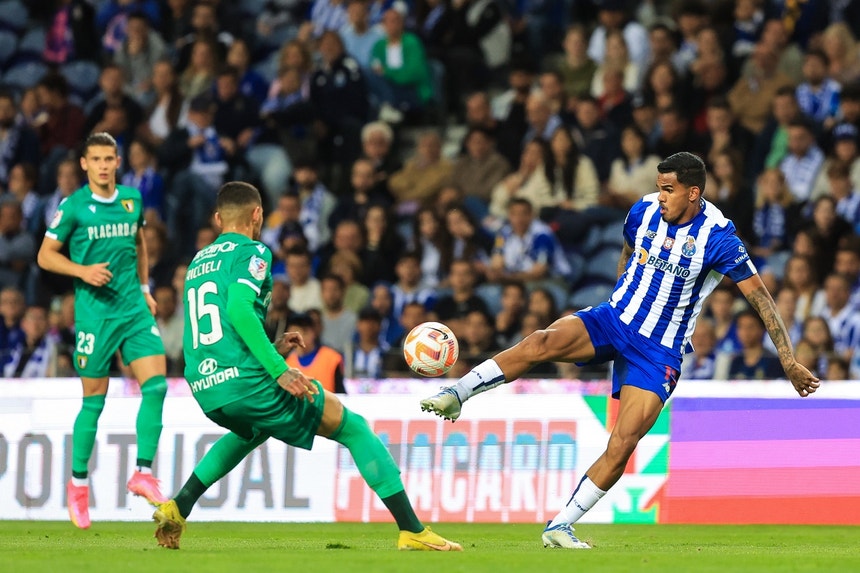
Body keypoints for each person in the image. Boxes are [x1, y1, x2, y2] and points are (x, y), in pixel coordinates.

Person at [420, 152, 819, 549]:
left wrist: (788, 360)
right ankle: (457, 394)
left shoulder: (718, 237)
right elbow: (628, 251)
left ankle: (559, 526)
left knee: (623, 442)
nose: (659, 196)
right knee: (541, 341)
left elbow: (762, 300)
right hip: (614, 319)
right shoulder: (642, 211)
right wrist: (619, 293)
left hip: (659, 352)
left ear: (693, 193)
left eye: (668, 189)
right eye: (658, 187)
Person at [152, 181, 461, 552]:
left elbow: (216, 328)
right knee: (354, 428)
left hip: (205, 385)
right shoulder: (254, 252)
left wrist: (274, 349)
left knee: (251, 431)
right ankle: (412, 530)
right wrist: (279, 369)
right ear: (257, 214)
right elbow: (236, 309)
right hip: (246, 382)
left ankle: (178, 506)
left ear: (218, 218)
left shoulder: (198, 262)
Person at [36, 132, 168, 529]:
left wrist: (145, 288)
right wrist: (82, 271)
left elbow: (140, 243)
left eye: (110, 159)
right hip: (95, 317)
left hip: (133, 310)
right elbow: (45, 256)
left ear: (117, 161)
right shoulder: (74, 207)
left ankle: (143, 472)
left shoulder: (131, 200)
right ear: (84, 164)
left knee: (157, 386)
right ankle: (78, 485)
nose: (104, 166)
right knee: (94, 400)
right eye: (96, 159)